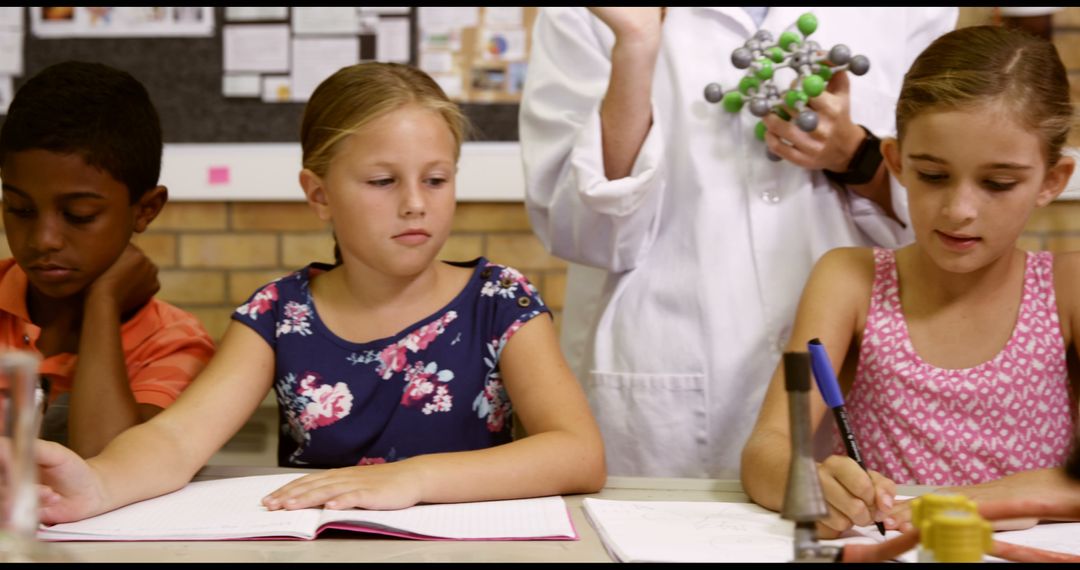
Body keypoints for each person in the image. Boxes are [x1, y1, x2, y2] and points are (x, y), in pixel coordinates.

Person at [34, 62, 605, 524]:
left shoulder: (500, 299)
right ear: (318, 192)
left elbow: (578, 453)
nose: (415, 202)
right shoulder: (278, 314)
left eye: (436, 179)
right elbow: (177, 439)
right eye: (383, 181)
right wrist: (100, 483)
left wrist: (412, 479)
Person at [519, 7, 957, 478]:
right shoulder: (582, 14)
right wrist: (636, 47)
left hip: (850, 365)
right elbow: (579, 232)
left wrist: (855, 156)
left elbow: (946, 211)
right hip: (664, 373)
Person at [740, 25, 1079, 538]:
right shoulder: (848, 280)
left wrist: (1008, 496)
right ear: (896, 163)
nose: (960, 210)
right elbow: (767, 448)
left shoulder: (1067, 286)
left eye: (998, 183)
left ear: (1051, 181)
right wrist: (807, 483)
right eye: (933, 176)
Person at [0, 61, 215, 459]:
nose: (44, 240)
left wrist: (104, 303)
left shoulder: (173, 343)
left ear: (146, 210)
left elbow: (108, 466)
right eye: (19, 209)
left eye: (79, 215)